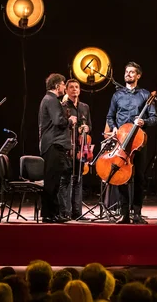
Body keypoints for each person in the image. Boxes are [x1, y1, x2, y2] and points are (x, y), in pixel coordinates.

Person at [106, 62, 157, 224]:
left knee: (140, 178)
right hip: (121, 141)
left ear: (138, 76)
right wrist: (114, 128)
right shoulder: (117, 96)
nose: (128, 74)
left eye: (131, 72)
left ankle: (137, 212)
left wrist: (144, 121)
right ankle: (124, 214)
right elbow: (110, 116)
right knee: (121, 177)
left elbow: (154, 118)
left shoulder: (144, 95)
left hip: (138, 142)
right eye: (126, 72)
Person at [39, 73, 77, 223]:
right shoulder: (51, 99)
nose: (64, 87)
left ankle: (52, 213)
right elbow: (58, 121)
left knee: (53, 181)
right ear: (57, 86)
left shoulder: (50, 100)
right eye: (63, 84)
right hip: (54, 144)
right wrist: (70, 120)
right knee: (52, 181)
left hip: (52, 144)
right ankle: (49, 215)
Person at [62, 79, 93, 220]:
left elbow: (90, 126)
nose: (74, 89)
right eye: (71, 87)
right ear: (66, 90)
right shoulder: (63, 106)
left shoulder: (84, 107)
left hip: (81, 148)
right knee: (68, 179)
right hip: (69, 147)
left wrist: (86, 128)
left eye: (77, 87)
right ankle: (66, 212)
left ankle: (77, 212)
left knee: (79, 179)